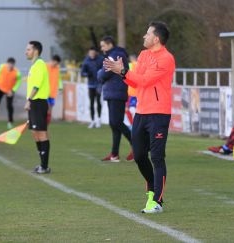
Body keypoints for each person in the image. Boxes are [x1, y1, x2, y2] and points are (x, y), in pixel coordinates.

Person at [104, 21, 176, 214]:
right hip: (142, 112)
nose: (144, 36)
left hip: (159, 113)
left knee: (158, 158)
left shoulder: (166, 58)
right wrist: (123, 73)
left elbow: (145, 79)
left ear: (156, 38)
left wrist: (124, 71)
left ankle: (157, 201)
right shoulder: (144, 55)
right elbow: (137, 82)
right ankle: (153, 190)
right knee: (139, 155)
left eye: (147, 34)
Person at [98, 36, 133, 163]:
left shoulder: (114, 55)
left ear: (109, 44)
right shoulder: (116, 54)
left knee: (116, 123)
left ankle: (137, 146)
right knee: (115, 124)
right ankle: (114, 154)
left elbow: (104, 74)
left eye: (103, 46)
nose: (101, 49)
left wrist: (99, 73)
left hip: (116, 92)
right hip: (114, 92)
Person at [24, 41, 51, 174]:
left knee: (41, 133)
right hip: (34, 103)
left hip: (38, 102)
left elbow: (37, 85)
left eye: (28, 49)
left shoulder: (40, 64)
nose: (26, 52)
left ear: (35, 50)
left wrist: (29, 100)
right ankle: (42, 164)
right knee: (35, 134)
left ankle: (44, 166)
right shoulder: (34, 65)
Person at [0, 57, 22, 129]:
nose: (10, 66)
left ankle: (10, 122)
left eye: (12, 64)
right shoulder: (2, 67)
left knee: (9, 106)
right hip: (0, 87)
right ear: (7, 63)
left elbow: (18, 82)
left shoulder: (17, 73)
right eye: (9, 64)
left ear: (14, 65)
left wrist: (13, 90)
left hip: (9, 91)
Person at [81, 47, 104, 128]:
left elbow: (104, 69)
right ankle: (92, 120)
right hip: (90, 84)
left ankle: (99, 120)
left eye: (93, 53)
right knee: (91, 102)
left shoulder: (100, 59)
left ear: (96, 53)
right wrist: (87, 74)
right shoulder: (86, 61)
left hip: (99, 84)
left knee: (98, 101)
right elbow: (82, 73)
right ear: (88, 53)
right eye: (91, 53)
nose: (92, 55)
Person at [47, 54, 63, 123]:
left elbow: (59, 79)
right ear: (52, 61)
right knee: (45, 109)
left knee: (50, 109)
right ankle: (43, 125)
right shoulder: (45, 66)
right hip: (45, 93)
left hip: (53, 93)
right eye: (55, 63)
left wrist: (60, 87)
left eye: (57, 64)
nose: (56, 65)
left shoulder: (57, 68)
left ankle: (47, 124)